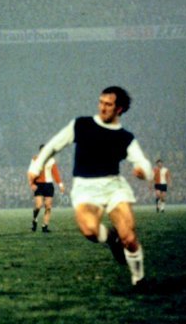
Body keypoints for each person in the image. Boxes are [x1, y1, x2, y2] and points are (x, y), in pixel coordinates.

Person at [29, 86, 152, 287]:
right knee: (89, 231)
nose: (102, 108)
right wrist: (36, 167)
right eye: (101, 102)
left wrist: (143, 172)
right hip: (85, 188)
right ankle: (111, 238)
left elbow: (143, 163)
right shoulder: (81, 125)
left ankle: (139, 279)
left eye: (108, 104)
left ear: (119, 109)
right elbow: (53, 145)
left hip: (114, 187)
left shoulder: (125, 137)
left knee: (129, 237)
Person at [27, 144, 65, 232]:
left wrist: (60, 184)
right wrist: (31, 184)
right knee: (38, 205)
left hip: (48, 184)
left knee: (48, 206)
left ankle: (45, 226)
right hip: (38, 184)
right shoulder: (35, 159)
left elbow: (55, 173)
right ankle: (34, 219)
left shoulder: (51, 160)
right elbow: (30, 172)